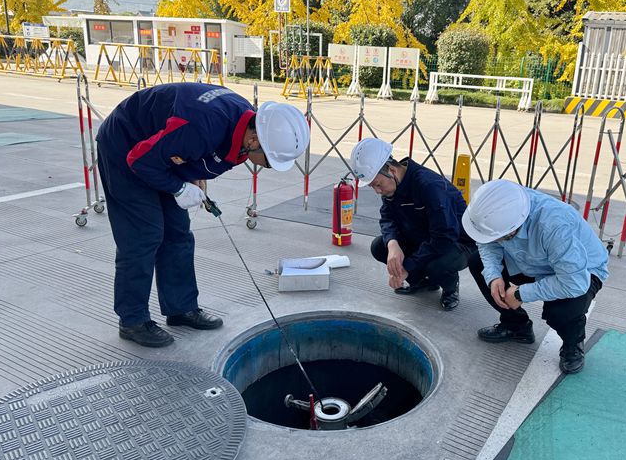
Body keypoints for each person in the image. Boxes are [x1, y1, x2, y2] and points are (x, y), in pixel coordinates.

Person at [96, 83, 309, 348]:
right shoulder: (201, 127)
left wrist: (192, 175)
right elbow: (140, 159)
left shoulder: (243, 123)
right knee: (144, 236)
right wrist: (178, 187)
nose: (266, 167)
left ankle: (181, 308)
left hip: (160, 149)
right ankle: (133, 320)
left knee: (178, 233)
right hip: (126, 147)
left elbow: (191, 149)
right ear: (254, 141)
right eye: (268, 162)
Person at [462, 180, 608, 374]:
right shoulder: (497, 208)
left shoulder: (554, 225)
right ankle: (516, 326)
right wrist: (494, 275)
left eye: (501, 237)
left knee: (561, 312)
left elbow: (574, 283)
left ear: (514, 227)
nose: (495, 240)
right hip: (531, 260)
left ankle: (572, 344)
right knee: (478, 263)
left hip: (581, 272)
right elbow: (486, 241)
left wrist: (521, 293)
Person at [349, 138, 476, 311]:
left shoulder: (429, 186)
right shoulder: (392, 186)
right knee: (379, 246)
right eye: (373, 187)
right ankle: (422, 282)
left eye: (378, 184)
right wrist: (393, 244)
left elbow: (444, 237)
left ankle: (450, 288)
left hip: (457, 242)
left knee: (436, 264)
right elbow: (387, 217)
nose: (378, 191)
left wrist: (406, 268)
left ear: (392, 170)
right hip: (425, 235)